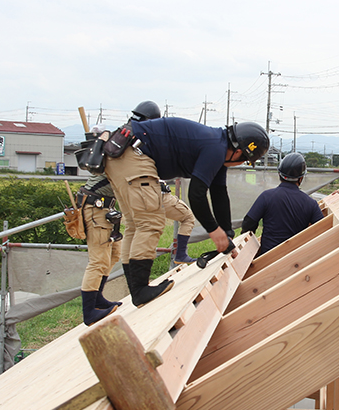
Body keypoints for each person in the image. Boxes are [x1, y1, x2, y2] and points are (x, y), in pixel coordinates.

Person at [104, 115, 269, 307]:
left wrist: (227, 233)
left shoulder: (218, 146)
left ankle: (136, 288)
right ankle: (140, 290)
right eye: (245, 160)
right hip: (134, 153)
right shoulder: (215, 148)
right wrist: (214, 231)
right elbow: (197, 195)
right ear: (238, 151)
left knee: (135, 224)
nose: (242, 164)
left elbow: (219, 194)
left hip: (121, 154)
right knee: (150, 222)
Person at [129, 101, 197, 265]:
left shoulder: (126, 137)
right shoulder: (151, 138)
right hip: (155, 194)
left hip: (131, 195)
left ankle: (132, 274)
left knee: (134, 230)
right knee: (186, 218)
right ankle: (180, 254)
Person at [77, 126, 123, 325]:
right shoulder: (116, 153)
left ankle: (97, 299)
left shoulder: (118, 150)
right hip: (95, 209)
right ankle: (89, 313)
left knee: (113, 254)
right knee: (98, 261)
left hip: (104, 210)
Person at [241, 152, 324, 256]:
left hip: (266, 259)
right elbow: (323, 230)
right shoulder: (311, 204)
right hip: (297, 262)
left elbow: (248, 223)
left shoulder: (267, 197)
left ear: (279, 174)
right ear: (301, 178)